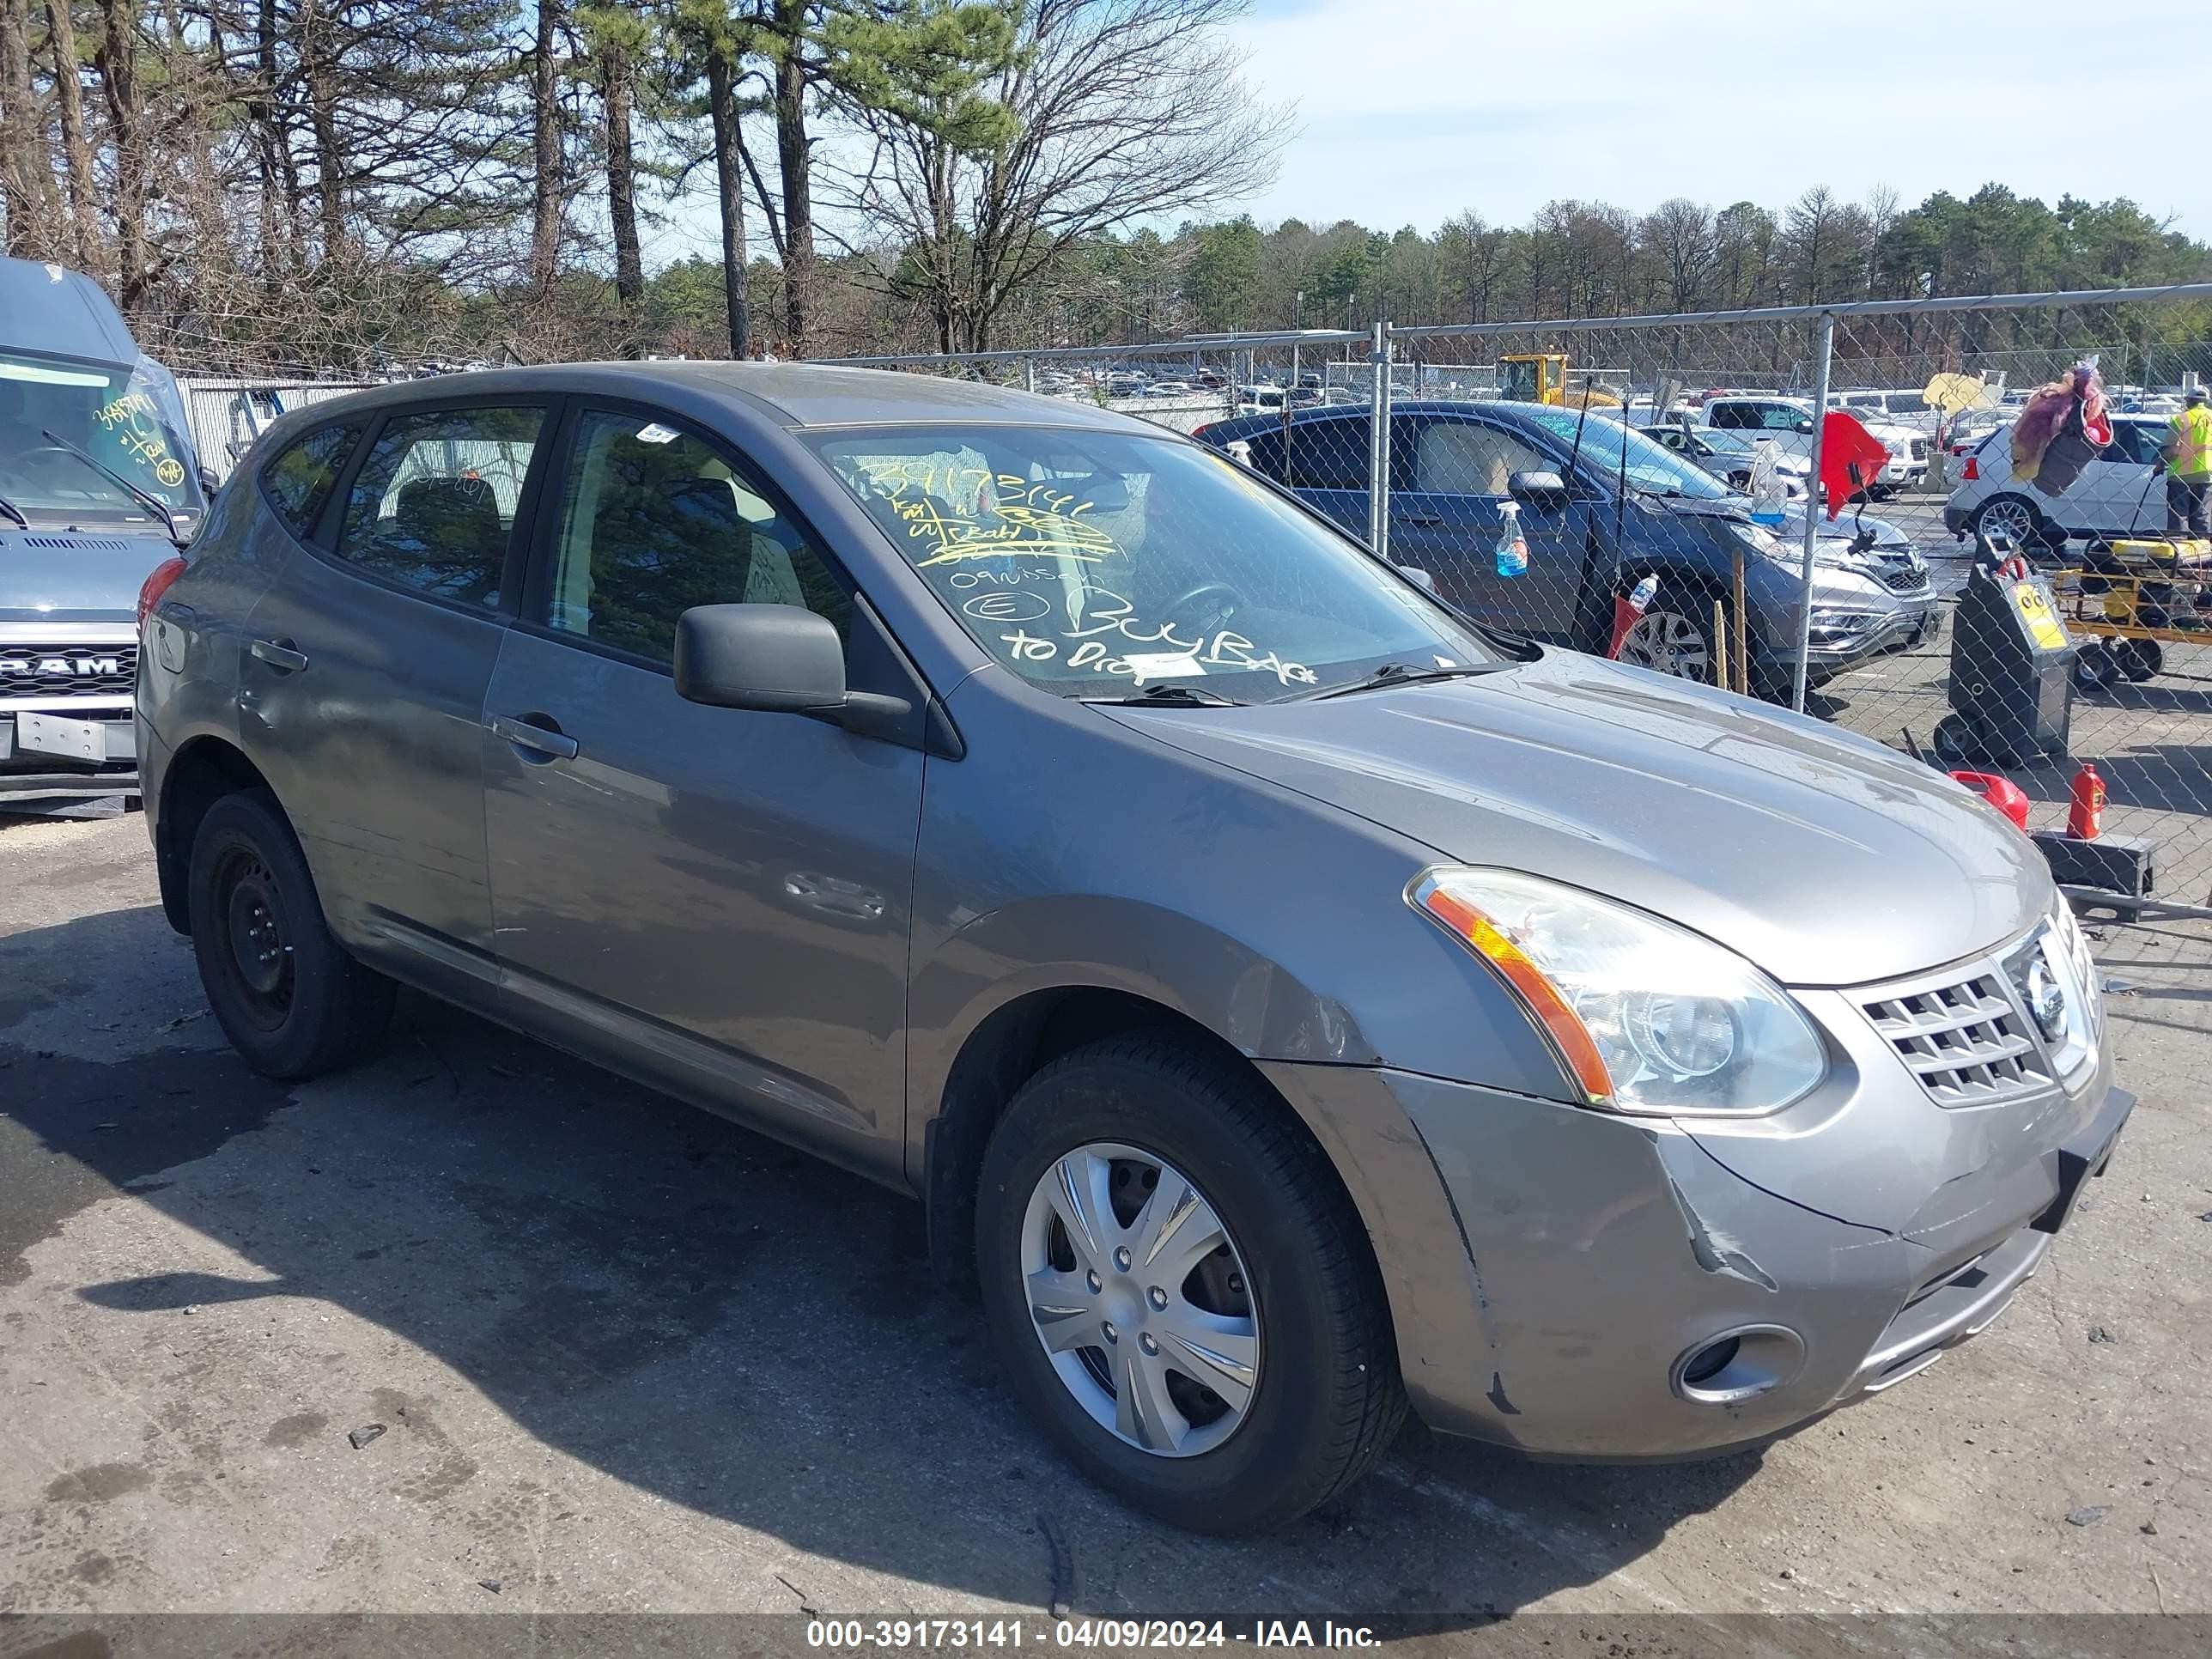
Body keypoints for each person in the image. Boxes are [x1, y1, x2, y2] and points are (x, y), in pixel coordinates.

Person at [2160, 386, 2211, 535]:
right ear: (2206, 401)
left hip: (2180, 476)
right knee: (2202, 519)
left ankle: (2179, 553)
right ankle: (2202, 553)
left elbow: (2172, 451)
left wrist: (2160, 463)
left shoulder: (2180, 419)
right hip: (2207, 476)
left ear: (2188, 400)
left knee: (2179, 520)